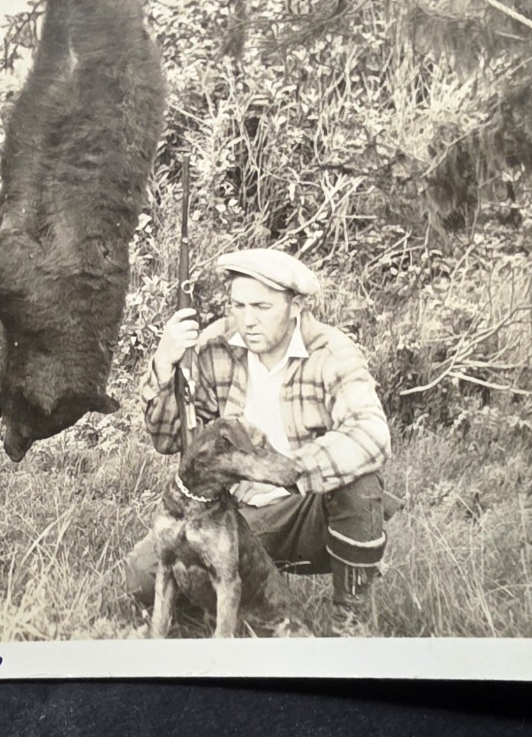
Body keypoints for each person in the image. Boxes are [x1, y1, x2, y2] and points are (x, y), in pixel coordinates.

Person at [125, 248, 391, 636]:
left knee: (361, 484)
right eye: (237, 305)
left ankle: (351, 621)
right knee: (141, 578)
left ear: (295, 305)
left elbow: (372, 434)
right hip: (234, 516)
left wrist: (292, 469)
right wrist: (165, 362)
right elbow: (167, 439)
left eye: (262, 307)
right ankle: (222, 613)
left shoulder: (331, 352)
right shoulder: (214, 346)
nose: (247, 320)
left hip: (305, 509)